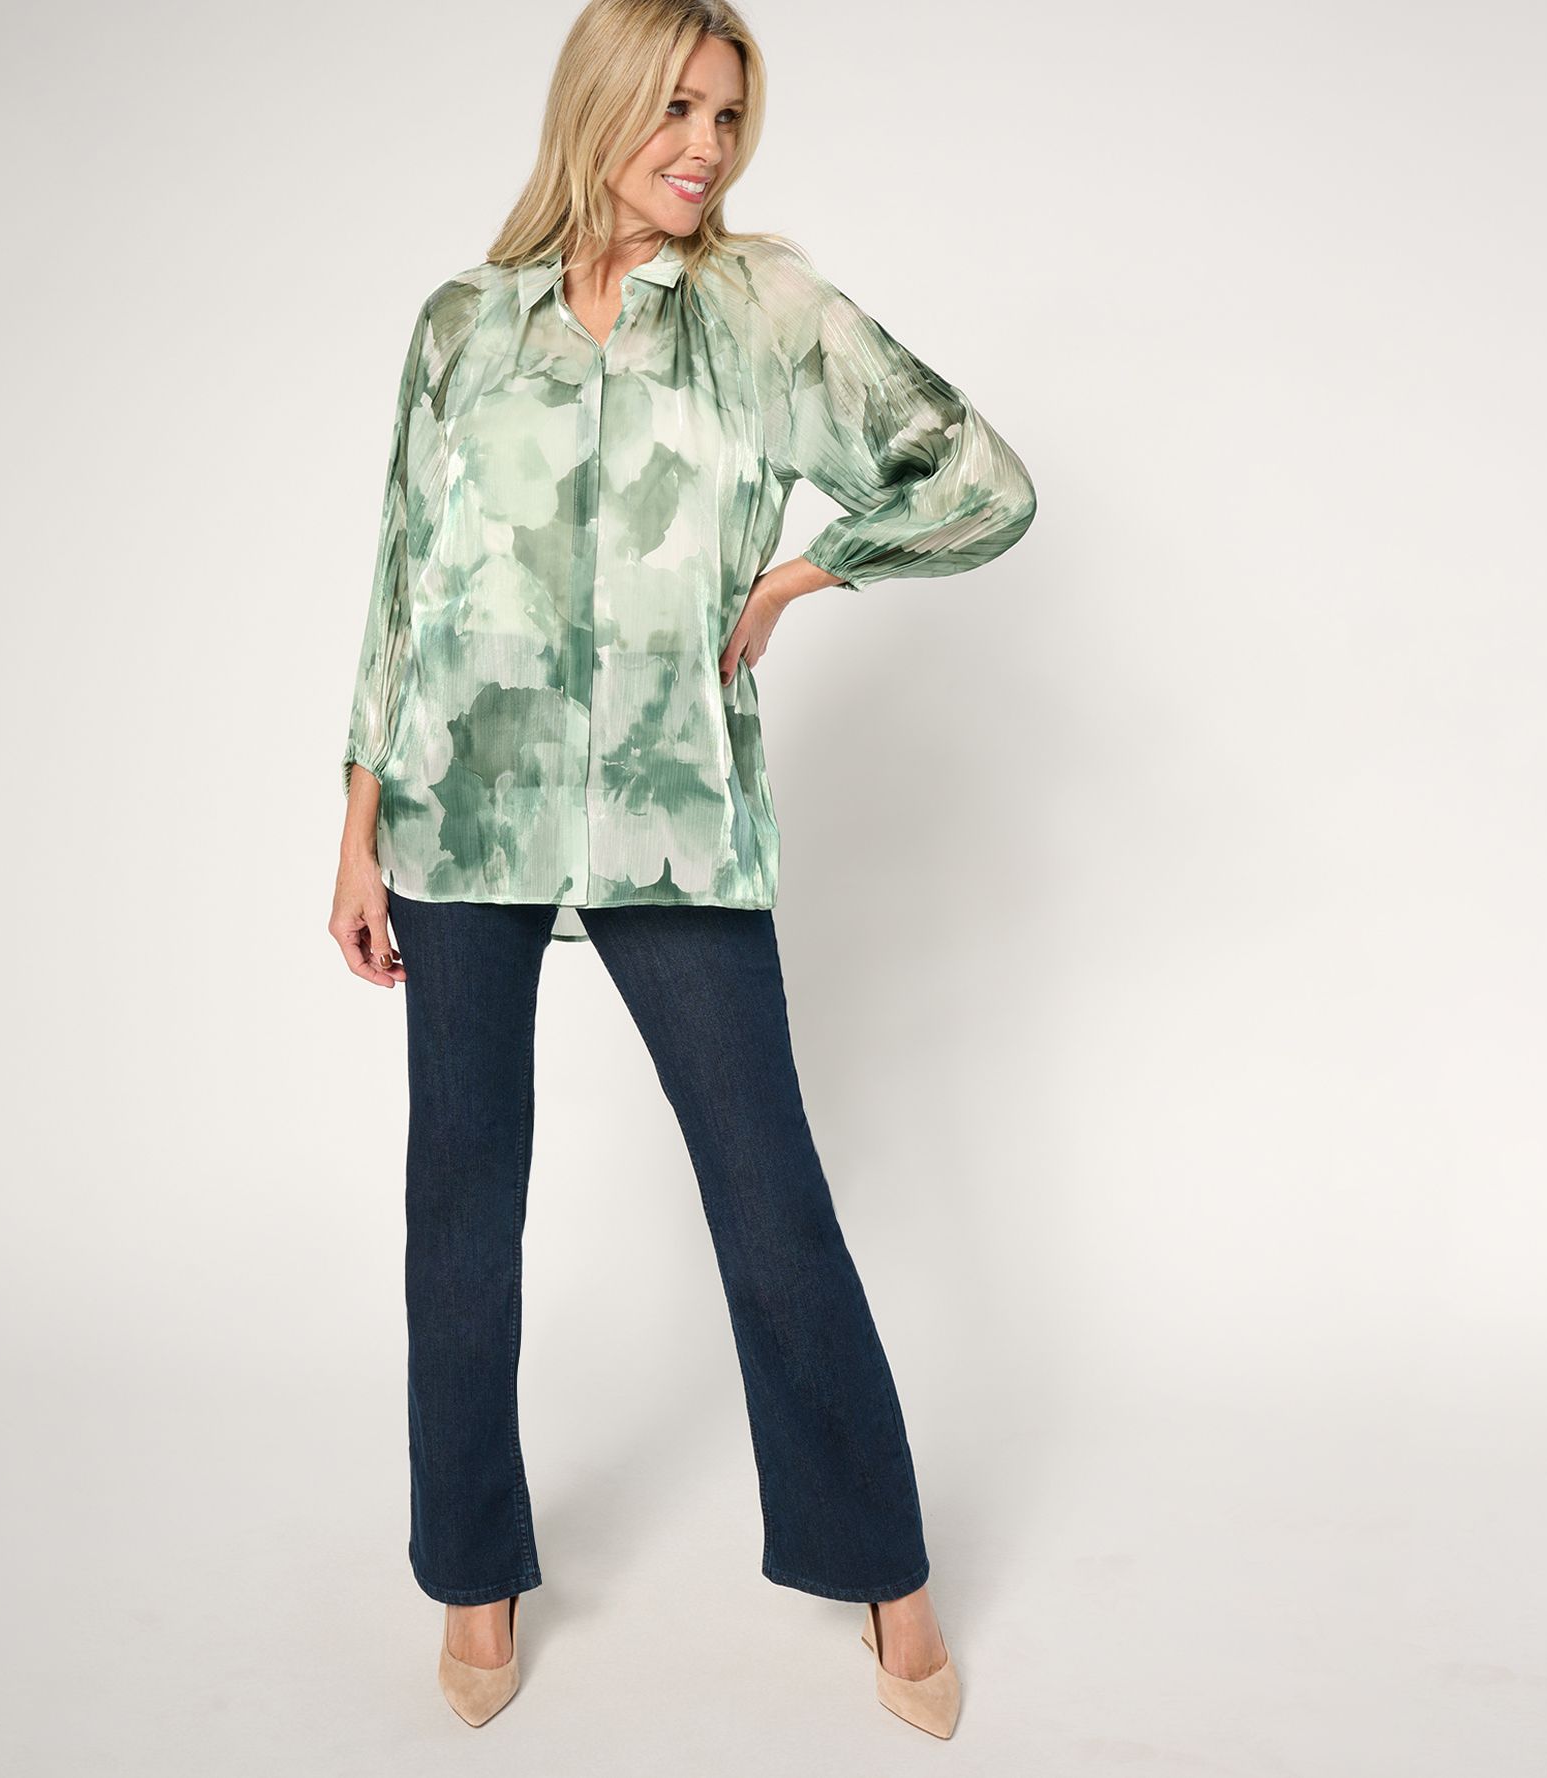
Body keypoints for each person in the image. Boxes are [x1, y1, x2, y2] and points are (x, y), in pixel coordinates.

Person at [330, 0, 1035, 1738]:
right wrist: (356, 823)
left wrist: (811, 570)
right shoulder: (463, 327)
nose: (706, 147)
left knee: (767, 1191)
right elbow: (405, 581)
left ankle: (884, 1567)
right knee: (459, 1200)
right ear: (600, 105)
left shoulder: (762, 315)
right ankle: (474, 1567)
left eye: (728, 116)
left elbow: (979, 478)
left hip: (675, 816)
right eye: (677, 109)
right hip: (460, 808)